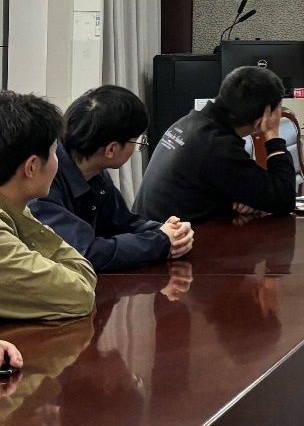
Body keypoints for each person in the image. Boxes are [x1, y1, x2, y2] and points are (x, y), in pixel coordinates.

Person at [29, 86, 194, 272]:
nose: (137, 147)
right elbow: (84, 253)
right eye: (137, 141)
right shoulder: (42, 181)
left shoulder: (94, 171)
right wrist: (160, 241)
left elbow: (122, 223)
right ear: (111, 150)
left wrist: (169, 232)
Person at [134, 66, 297, 225]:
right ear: (261, 120)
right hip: (164, 240)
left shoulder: (191, 122)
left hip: (147, 231)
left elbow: (209, 185)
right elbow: (284, 198)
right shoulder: (218, 147)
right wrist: (272, 134)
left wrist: (248, 198)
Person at [0, 92, 96, 321]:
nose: (58, 163)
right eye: (55, 152)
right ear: (32, 167)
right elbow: (78, 294)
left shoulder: (14, 208)